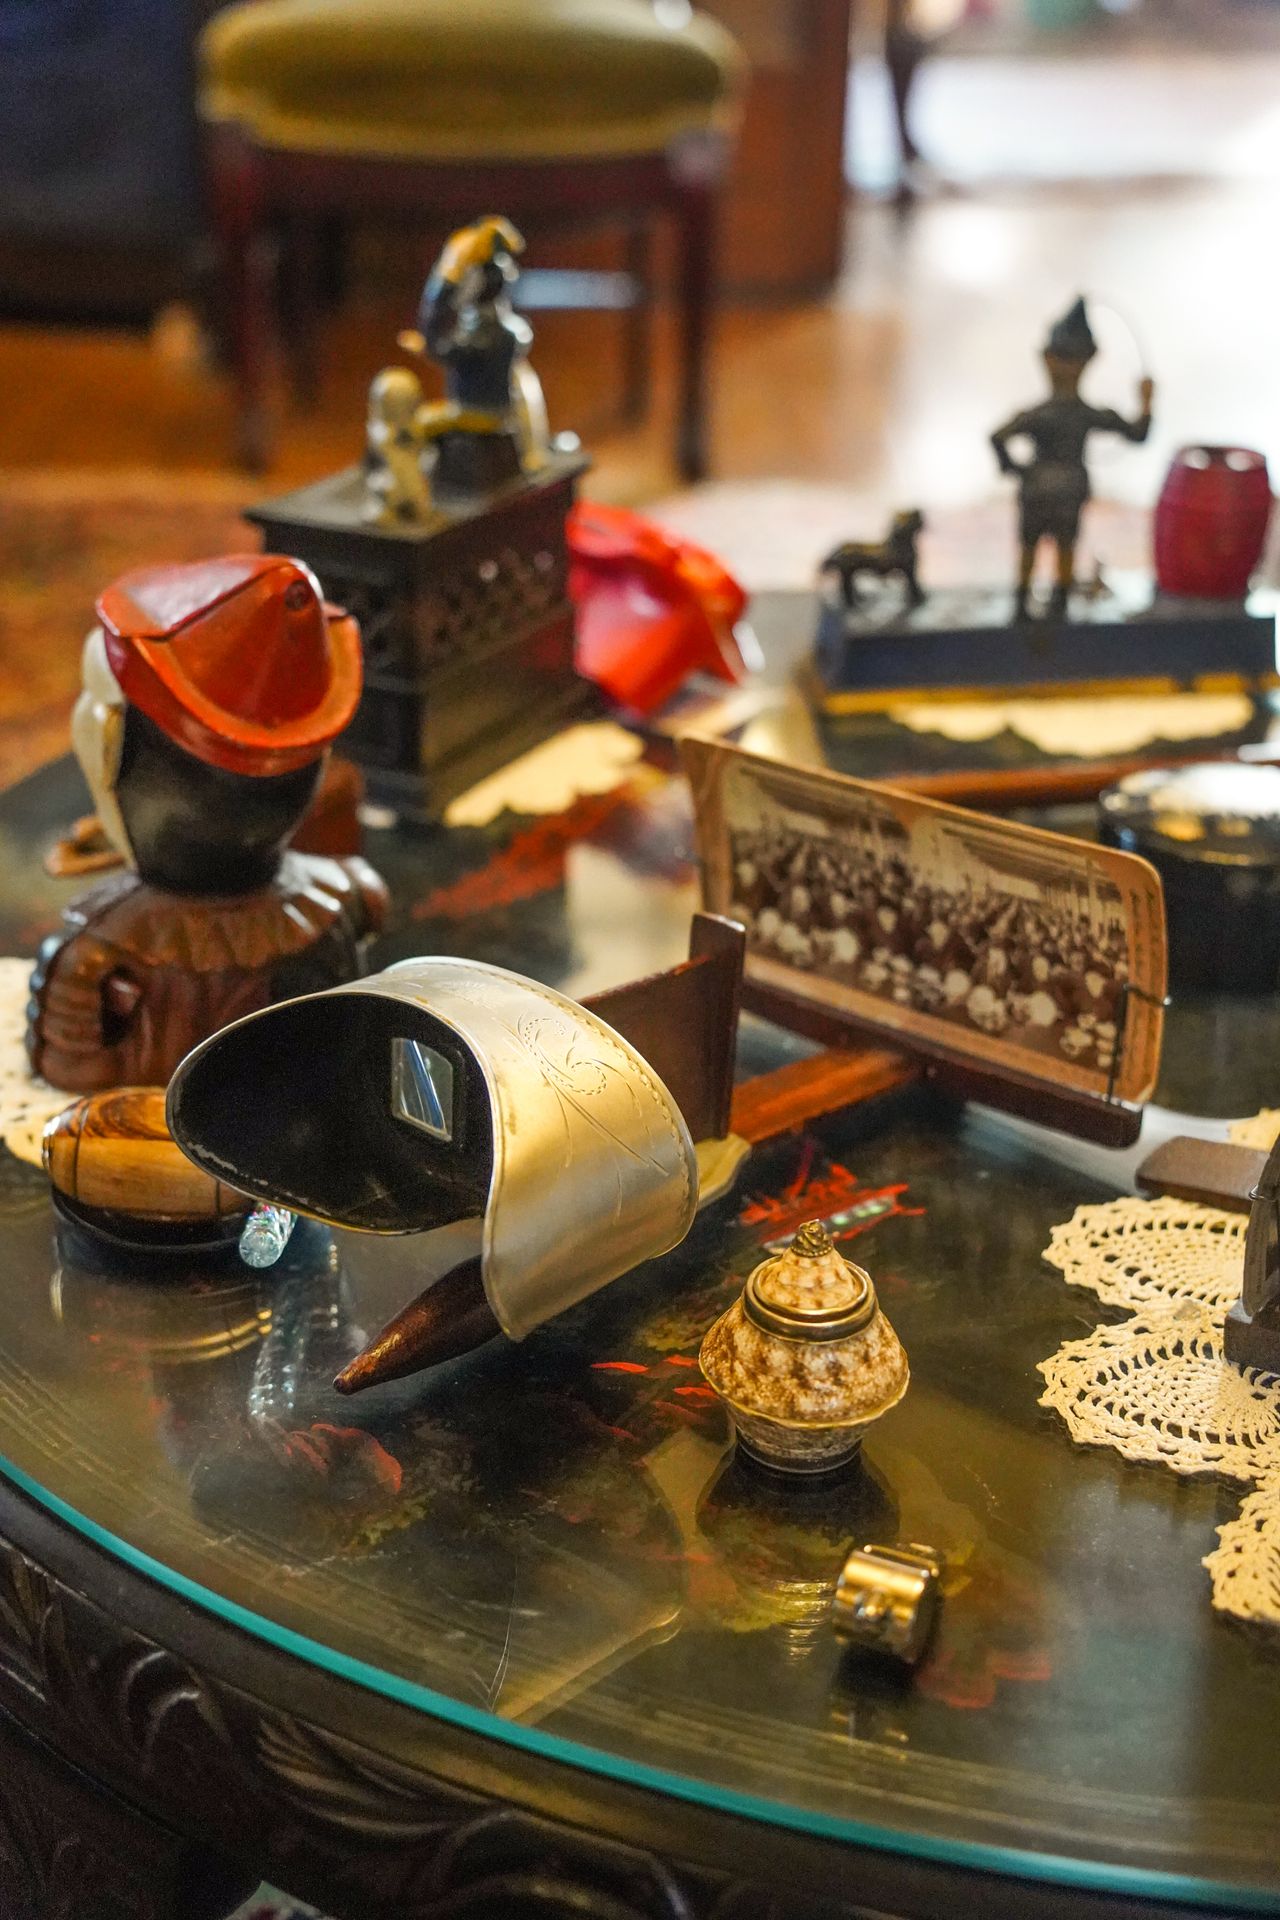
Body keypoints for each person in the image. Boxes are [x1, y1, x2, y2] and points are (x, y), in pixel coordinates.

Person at [991, 298, 1154, 621]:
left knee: (1036, 548)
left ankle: (1031, 606)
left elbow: (997, 437)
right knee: (1056, 548)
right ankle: (1053, 605)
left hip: (1038, 487)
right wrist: (1146, 405)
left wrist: (1016, 470)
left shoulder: (1040, 415)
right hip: (1066, 488)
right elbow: (1136, 433)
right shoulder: (1084, 414)